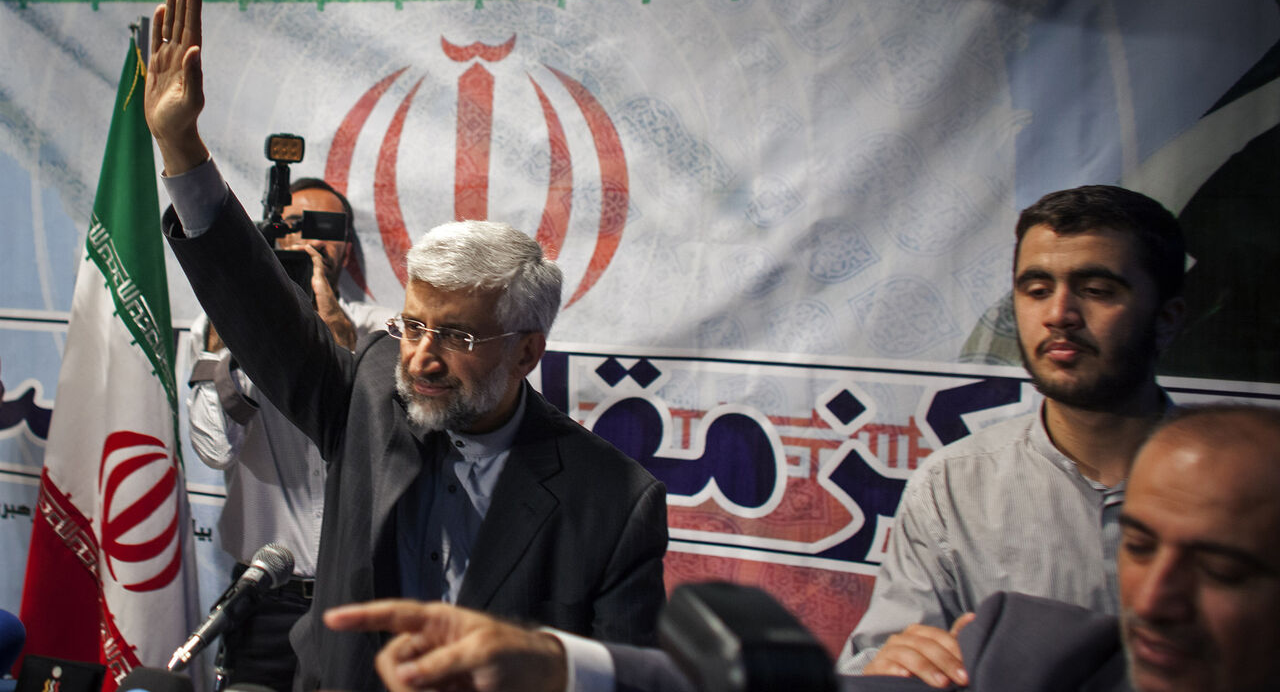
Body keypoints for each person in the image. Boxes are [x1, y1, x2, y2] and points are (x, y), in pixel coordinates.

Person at [144, 0, 668, 691]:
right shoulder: (373, 388)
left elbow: (630, 677)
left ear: (526, 351)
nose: (420, 356)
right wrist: (180, 146)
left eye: (455, 337)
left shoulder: (612, 500)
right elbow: (261, 312)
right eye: (413, 324)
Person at [327, 403, 1280, 692]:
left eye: (1224, 568)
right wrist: (550, 661)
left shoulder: (611, 496)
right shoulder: (1023, 654)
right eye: (1140, 545)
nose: (1153, 598)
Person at [838, 184, 1187, 686]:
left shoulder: (1242, 489)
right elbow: (875, 662)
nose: (1059, 315)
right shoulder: (952, 485)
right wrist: (895, 665)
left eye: (1096, 290)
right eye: (1037, 289)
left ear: (1168, 318)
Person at [186, 176, 393, 691]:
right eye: (295, 227)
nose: (312, 242)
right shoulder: (214, 325)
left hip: (360, 598)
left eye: (327, 229)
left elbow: (379, 436)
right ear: (270, 238)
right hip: (266, 596)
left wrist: (327, 322)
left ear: (347, 244)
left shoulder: (386, 330)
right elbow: (214, 449)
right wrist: (247, 331)